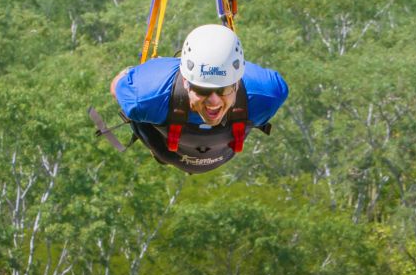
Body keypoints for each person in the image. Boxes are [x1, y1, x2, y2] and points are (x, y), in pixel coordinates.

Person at [110, 24, 288, 174]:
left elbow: (117, 85)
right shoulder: (145, 97)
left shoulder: (267, 94)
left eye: (223, 89)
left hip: (171, 151)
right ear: (186, 83)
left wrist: (132, 74)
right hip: (201, 152)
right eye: (203, 90)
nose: (214, 102)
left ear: (236, 83)